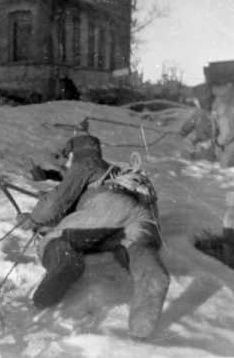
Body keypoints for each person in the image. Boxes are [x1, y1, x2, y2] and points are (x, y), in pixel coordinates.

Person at [16, 134, 169, 339]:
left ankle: (63, 265)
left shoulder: (85, 162)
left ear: (73, 153)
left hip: (107, 206)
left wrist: (34, 219)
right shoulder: (116, 170)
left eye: (67, 156)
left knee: (52, 241)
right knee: (136, 248)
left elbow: (55, 203)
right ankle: (149, 275)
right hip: (143, 216)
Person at [210, 82, 234, 167]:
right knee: (219, 157)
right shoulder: (216, 112)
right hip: (223, 139)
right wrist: (215, 142)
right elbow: (214, 129)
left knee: (225, 161)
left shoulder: (232, 111)